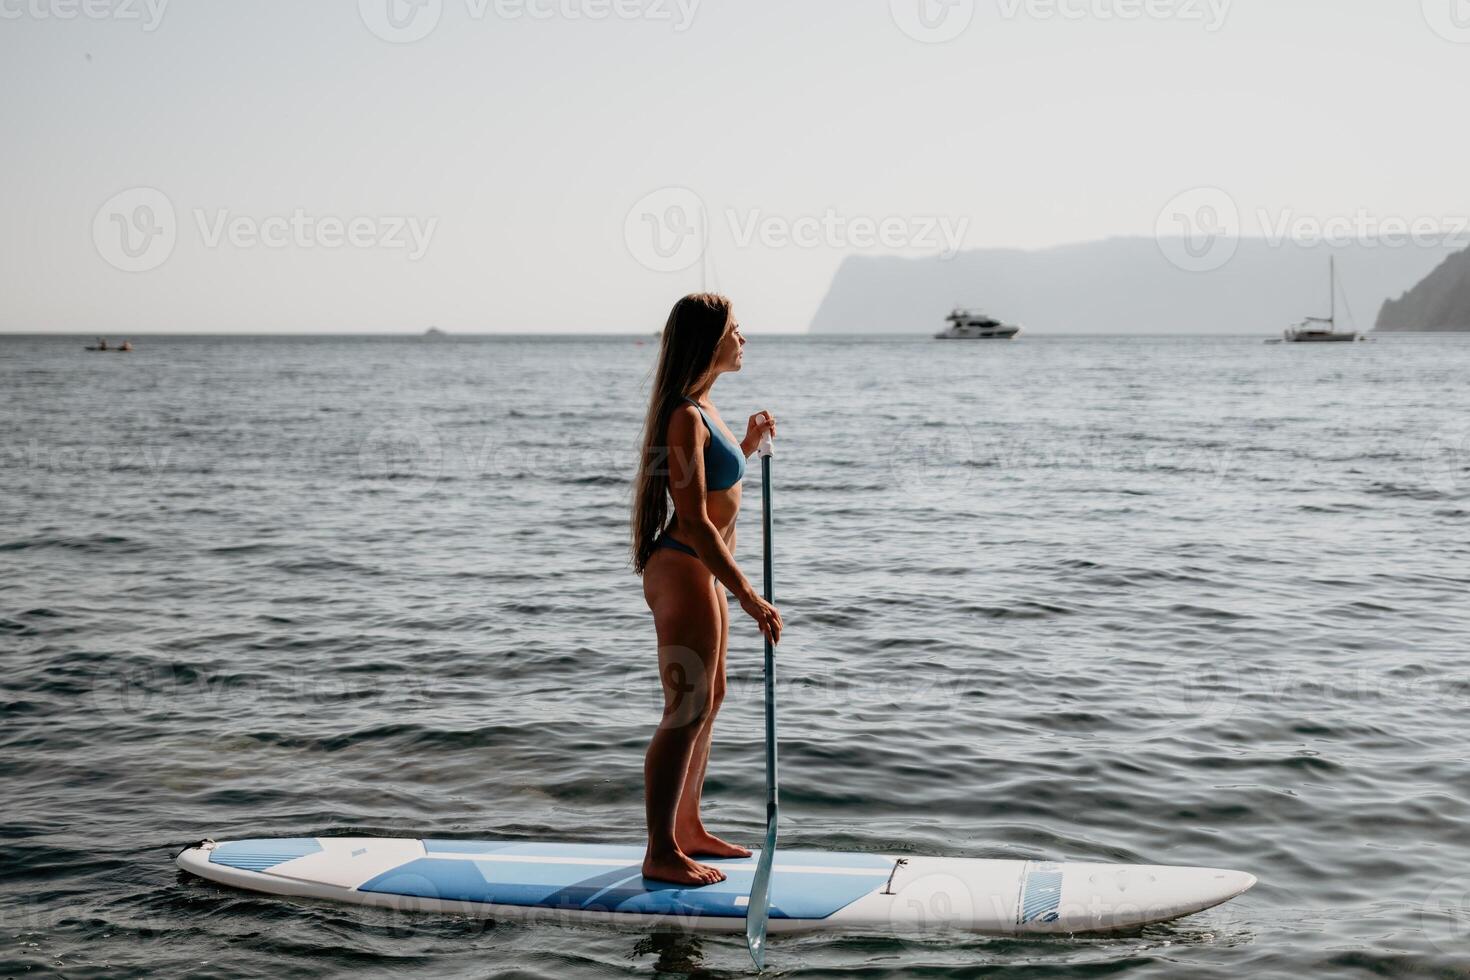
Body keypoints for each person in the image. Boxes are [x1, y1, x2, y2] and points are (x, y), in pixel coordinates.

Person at [630, 293, 782, 886]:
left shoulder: (705, 408)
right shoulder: (684, 416)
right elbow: (692, 518)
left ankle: (688, 828)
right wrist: (746, 593)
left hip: (703, 570)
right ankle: (660, 849)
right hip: (685, 567)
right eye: (736, 331)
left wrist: (744, 447)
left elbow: (715, 488)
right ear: (709, 339)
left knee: (709, 698)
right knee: (684, 708)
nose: (744, 340)